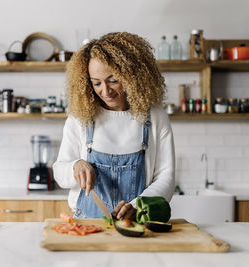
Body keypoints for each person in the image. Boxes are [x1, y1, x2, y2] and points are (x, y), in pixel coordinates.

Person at [53, 32, 175, 221]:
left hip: (136, 223)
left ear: (132, 76)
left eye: (113, 80)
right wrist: (75, 166)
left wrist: (137, 206)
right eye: (96, 83)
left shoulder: (155, 117)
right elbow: (60, 171)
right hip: (87, 224)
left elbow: (166, 177)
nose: (105, 91)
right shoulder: (80, 117)